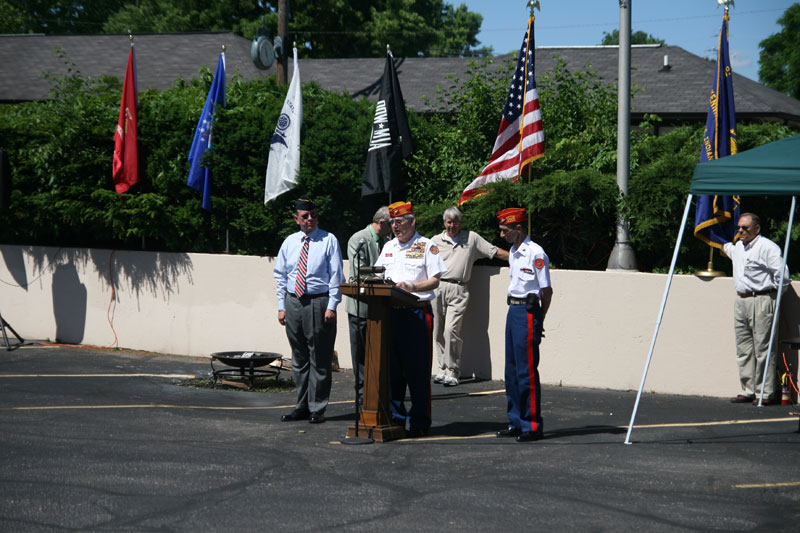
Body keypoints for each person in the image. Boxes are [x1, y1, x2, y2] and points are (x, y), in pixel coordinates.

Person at [374, 201, 447, 438]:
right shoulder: (388, 247)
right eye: (392, 222)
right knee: (393, 371)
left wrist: (412, 286)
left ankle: (419, 422)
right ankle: (396, 419)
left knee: (417, 371)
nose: (395, 226)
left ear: (412, 221)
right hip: (391, 313)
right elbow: (378, 275)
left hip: (417, 312)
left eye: (400, 221)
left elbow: (435, 280)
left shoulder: (427, 246)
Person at [274, 196, 344, 424]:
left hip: (319, 302)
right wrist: (281, 307)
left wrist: (332, 305)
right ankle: (301, 406)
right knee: (299, 358)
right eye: (305, 216)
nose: (310, 219)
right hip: (294, 302)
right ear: (296, 219)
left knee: (320, 358)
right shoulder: (290, 242)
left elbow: (336, 276)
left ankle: (317, 408)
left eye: (313, 215)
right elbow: (281, 276)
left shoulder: (328, 240)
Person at [431, 206, 509, 387]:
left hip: (459, 289)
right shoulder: (435, 241)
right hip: (438, 287)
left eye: (456, 222)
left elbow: (493, 251)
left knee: (451, 330)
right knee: (437, 331)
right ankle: (442, 368)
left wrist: (517, 258)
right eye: (449, 222)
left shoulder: (471, 238)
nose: (452, 225)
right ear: (444, 223)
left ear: (460, 222)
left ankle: (453, 371)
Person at [495, 207, 553, 443]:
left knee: (526, 371)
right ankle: (516, 421)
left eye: (505, 230)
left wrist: (541, 319)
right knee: (511, 371)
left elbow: (547, 290)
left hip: (528, 312)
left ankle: (532, 425)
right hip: (513, 310)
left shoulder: (535, 253)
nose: (502, 235)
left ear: (518, 229)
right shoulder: (513, 251)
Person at [723, 213, 791, 406]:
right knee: (743, 348)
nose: (740, 231)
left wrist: (774, 298)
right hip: (741, 300)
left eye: (745, 228)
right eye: (739, 228)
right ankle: (747, 389)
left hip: (762, 299)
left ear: (757, 229)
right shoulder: (737, 247)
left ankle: (765, 392)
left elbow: (782, 276)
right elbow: (722, 245)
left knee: (764, 348)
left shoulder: (767, 247)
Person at [344, 206, 392, 404]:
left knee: (381, 352)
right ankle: (363, 392)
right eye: (392, 223)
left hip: (383, 307)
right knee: (361, 353)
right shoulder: (359, 239)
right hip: (361, 307)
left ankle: (379, 390)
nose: (395, 228)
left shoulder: (389, 242)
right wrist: (386, 279)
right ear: (382, 223)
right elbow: (358, 275)